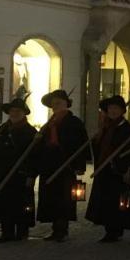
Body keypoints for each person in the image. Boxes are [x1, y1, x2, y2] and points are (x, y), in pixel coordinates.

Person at [0, 98, 38, 243]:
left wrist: (31, 174)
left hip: (20, 175)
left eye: (17, 111)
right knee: (4, 203)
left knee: (21, 204)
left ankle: (22, 231)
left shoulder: (30, 132)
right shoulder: (3, 129)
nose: (14, 114)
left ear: (23, 113)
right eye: (12, 111)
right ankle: (6, 232)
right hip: (2, 174)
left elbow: (35, 156)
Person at [33, 89, 89, 243]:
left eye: (58, 103)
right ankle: (54, 228)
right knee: (50, 196)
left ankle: (62, 229)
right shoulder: (48, 124)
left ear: (66, 104)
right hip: (49, 166)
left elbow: (82, 144)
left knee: (63, 197)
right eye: (53, 104)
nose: (55, 106)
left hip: (66, 165)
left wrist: (79, 165)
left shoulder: (74, 123)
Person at [86, 95, 130, 243]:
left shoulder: (127, 129)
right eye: (110, 108)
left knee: (116, 201)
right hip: (104, 168)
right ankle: (110, 229)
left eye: (116, 108)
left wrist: (128, 168)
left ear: (122, 111)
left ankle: (115, 230)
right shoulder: (105, 127)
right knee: (105, 200)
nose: (112, 111)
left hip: (117, 170)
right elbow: (99, 147)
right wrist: (95, 141)